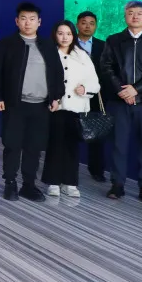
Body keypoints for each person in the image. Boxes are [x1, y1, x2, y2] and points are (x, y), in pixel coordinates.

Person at [99, 1, 142, 203]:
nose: (135, 16)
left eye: (139, 13)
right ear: (125, 16)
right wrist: (123, 90)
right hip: (119, 101)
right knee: (118, 144)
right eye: (131, 13)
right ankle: (117, 184)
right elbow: (106, 67)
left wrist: (136, 89)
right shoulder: (113, 40)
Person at [0, 2, 64, 202]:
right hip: (15, 104)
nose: (28, 23)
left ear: (39, 22)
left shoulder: (47, 45)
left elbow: (57, 73)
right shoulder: (7, 44)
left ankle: (29, 184)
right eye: (24, 19)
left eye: (32, 19)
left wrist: (56, 97)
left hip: (41, 105)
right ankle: (10, 183)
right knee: (12, 145)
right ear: (17, 21)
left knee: (34, 147)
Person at [43, 20, 100, 198]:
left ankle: (70, 182)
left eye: (68, 33)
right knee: (54, 144)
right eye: (60, 33)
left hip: (76, 107)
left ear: (73, 35)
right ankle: (53, 182)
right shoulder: (48, 53)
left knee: (71, 146)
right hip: (55, 107)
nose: (64, 37)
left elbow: (94, 82)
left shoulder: (82, 55)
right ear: (55, 35)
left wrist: (85, 88)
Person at [76, 11, 108, 182]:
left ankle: (96, 170)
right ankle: (68, 169)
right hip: (73, 95)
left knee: (96, 134)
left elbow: (108, 70)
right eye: (84, 22)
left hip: (96, 96)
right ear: (77, 25)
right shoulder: (69, 43)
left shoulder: (103, 46)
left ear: (96, 26)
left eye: (91, 23)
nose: (87, 26)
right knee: (70, 132)